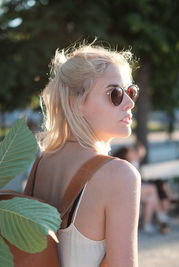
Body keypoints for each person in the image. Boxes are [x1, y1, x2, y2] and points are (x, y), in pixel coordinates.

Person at [29, 44, 141, 267]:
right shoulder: (119, 175)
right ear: (75, 102)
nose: (129, 103)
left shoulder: (42, 164)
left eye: (131, 91)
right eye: (115, 93)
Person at [113, 145, 170, 235]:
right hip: (125, 191)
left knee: (151, 198)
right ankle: (160, 215)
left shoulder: (128, 163)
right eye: (133, 153)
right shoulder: (126, 164)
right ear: (127, 154)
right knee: (152, 188)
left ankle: (148, 225)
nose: (138, 155)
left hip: (130, 189)